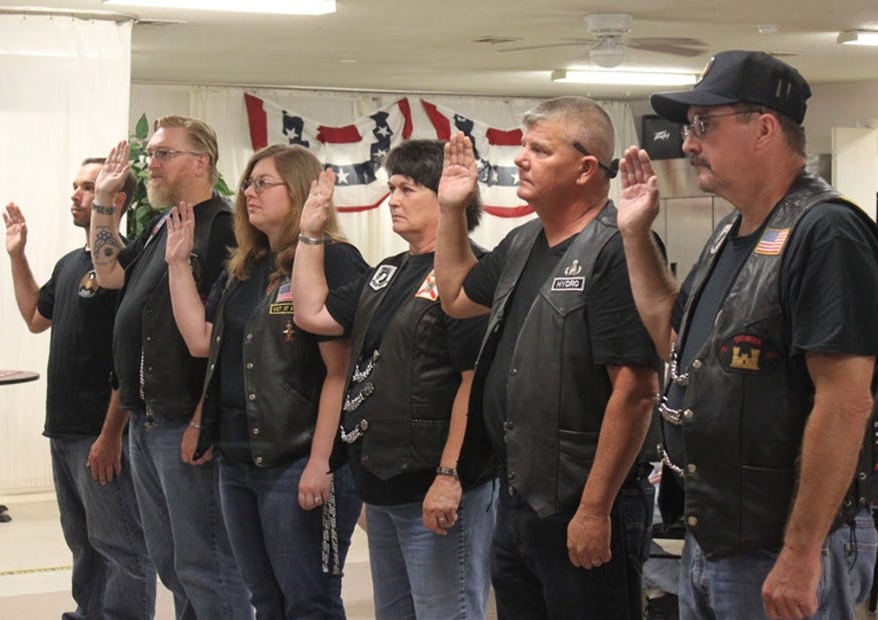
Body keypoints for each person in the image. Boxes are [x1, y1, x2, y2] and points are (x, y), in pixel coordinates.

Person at [616, 50, 878, 619]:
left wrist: (801, 552)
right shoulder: (733, 231)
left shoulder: (826, 231)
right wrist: (635, 236)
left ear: (764, 127)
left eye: (703, 126)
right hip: (716, 534)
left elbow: (844, 402)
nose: (688, 142)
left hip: (777, 547)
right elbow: (674, 338)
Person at [434, 97, 659, 619]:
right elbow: (456, 296)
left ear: (585, 169)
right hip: (519, 496)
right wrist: (450, 209)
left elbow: (636, 390)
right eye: (522, 146)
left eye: (539, 148)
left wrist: (594, 509)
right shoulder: (522, 241)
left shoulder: (616, 248)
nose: (520, 158)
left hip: (582, 500)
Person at [293, 139, 497, 619]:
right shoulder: (386, 272)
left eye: (407, 188)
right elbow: (313, 313)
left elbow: (475, 381)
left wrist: (449, 475)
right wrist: (309, 235)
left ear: (446, 193)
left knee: (446, 612)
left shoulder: (471, 275)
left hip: (437, 484)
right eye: (392, 188)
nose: (394, 199)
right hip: (382, 481)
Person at [165, 144, 367, 618]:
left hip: (297, 459)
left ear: (297, 190)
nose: (248, 193)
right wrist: (178, 264)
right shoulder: (246, 266)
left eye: (263, 183)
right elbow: (200, 339)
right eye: (247, 184)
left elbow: (342, 371)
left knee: (309, 601)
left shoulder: (332, 260)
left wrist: (322, 461)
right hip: (238, 458)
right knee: (264, 599)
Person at [90, 116, 252, 619]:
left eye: (164, 154)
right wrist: (102, 203)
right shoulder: (162, 222)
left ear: (200, 162)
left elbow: (230, 336)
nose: (151, 165)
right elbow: (110, 273)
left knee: (206, 563)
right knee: (172, 563)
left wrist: (203, 416)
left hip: (186, 417)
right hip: (148, 415)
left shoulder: (223, 226)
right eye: (152, 155)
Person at [2, 159, 156, 619]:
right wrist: (17, 255)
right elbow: (34, 317)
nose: (75, 194)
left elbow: (129, 361)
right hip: (65, 431)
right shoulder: (70, 264)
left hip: (101, 433)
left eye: (88, 187)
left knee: (123, 547)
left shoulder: (126, 266)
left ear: (116, 199)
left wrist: (111, 437)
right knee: (83, 542)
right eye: (75, 186)